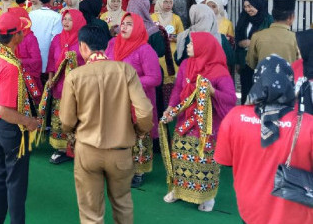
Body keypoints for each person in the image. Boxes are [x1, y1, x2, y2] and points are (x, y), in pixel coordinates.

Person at [60, 26, 153, 224]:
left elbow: (66, 121)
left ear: (82, 47)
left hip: (87, 150)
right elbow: (145, 112)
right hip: (120, 150)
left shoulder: (75, 76)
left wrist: (72, 131)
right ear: (107, 44)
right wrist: (138, 131)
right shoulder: (125, 70)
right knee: (122, 203)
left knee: (90, 212)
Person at [214, 55, 313, 224]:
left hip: (251, 211)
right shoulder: (308, 125)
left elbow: (225, 160)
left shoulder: (234, 118)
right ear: (290, 83)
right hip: (296, 214)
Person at [160, 32, 236, 212]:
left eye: (191, 44)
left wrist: (212, 92)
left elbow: (231, 98)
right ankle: (178, 190)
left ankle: (207, 197)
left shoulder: (219, 71)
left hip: (206, 127)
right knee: (180, 156)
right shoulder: (186, 64)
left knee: (204, 160)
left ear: (204, 47)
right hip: (185, 120)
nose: (187, 46)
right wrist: (171, 107)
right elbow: (178, 88)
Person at [0, 12, 42, 224]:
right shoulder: (11, 67)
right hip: (10, 128)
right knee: (16, 183)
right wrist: (30, 122)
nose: (24, 33)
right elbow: (5, 110)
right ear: (15, 36)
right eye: (21, 31)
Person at [106, 13, 161, 188]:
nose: (124, 27)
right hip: (115, 98)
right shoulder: (113, 44)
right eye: (123, 23)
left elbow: (155, 78)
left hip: (137, 100)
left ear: (137, 27)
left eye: (129, 24)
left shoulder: (145, 50)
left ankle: (138, 170)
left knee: (138, 135)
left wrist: (129, 80)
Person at [41, 9, 86, 164]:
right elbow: (51, 63)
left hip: (78, 88)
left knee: (78, 118)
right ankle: (61, 149)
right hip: (60, 86)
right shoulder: (57, 39)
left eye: (69, 20)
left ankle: (78, 149)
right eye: (64, 19)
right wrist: (50, 80)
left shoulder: (83, 41)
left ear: (78, 22)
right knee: (59, 117)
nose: (65, 22)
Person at [234, 0, 272, 104]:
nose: (247, 9)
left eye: (250, 6)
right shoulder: (243, 18)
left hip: (261, 62)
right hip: (245, 62)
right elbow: (238, 38)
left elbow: (271, 40)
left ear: (258, 4)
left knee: (260, 94)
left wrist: (253, 43)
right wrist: (241, 44)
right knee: (246, 92)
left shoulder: (268, 20)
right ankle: (245, 118)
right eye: (245, 6)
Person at [246, 0, 300, 69]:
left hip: (263, 79)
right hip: (287, 80)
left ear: (273, 15)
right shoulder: (297, 38)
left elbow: (251, 64)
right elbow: (300, 65)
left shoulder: (257, 36)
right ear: (291, 17)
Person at [27, 0, 62, 73]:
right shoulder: (57, 17)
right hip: (48, 61)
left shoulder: (31, 14)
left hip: (32, 58)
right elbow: (56, 41)